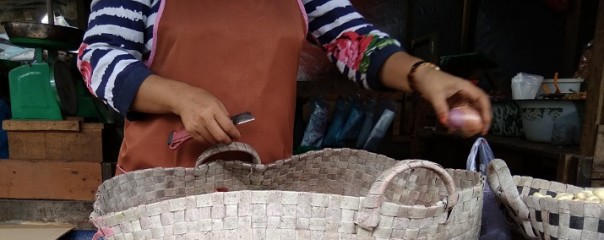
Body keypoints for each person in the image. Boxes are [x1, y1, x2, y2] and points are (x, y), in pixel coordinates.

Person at [77, 0, 492, 172]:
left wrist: (425, 74)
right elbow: (97, 57)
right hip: (159, 198)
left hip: (264, 193)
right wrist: (181, 97)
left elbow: (356, 42)